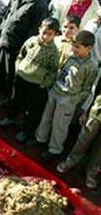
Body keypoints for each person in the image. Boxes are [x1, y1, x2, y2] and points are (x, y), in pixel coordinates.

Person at [35, 30, 98, 160]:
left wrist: (73, 99)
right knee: (46, 117)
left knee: (60, 125)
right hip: (56, 91)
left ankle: (55, 149)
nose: (73, 49)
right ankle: (40, 139)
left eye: (78, 47)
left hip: (68, 98)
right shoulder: (71, 56)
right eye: (73, 45)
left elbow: (87, 89)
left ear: (89, 48)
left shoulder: (91, 67)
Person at [0, 18, 60, 143]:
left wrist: (45, 83)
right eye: (44, 32)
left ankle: (25, 130)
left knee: (31, 109)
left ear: (55, 34)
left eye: (50, 34)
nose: (45, 36)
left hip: (37, 84)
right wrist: (18, 67)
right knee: (15, 99)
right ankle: (10, 117)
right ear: (39, 30)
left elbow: (53, 71)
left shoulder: (54, 52)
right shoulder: (31, 41)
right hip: (21, 77)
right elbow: (21, 54)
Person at [56, 69, 101, 189]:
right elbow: (93, 91)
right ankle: (70, 162)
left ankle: (91, 174)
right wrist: (86, 110)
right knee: (83, 141)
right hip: (96, 113)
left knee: (99, 151)